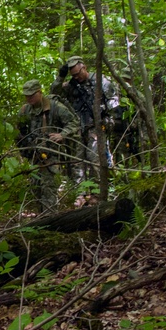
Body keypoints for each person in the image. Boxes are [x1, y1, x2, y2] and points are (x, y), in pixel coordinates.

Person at [18, 80, 79, 213]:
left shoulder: (55, 107)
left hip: (51, 154)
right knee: (35, 188)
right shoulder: (24, 110)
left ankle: (50, 220)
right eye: (26, 96)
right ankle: (40, 220)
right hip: (33, 155)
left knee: (48, 187)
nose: (29, 98)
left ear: (40, 92)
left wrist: (62, 134)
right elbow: (19, 131)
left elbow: (73, 122)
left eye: (32, 95)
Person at [62, 56, 119, 182]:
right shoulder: (71, 86)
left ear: (84, 68)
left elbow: (114, 100)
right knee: (77, 161)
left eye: (78, 73)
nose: (76, 77)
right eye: (73, 75)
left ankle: (98, 191)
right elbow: (54, 93)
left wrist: (103, 109)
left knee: (95, 159)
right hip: (79, 128)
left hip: (96, 126)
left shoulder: (100, 80)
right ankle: (81, 193)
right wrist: (61, 77)